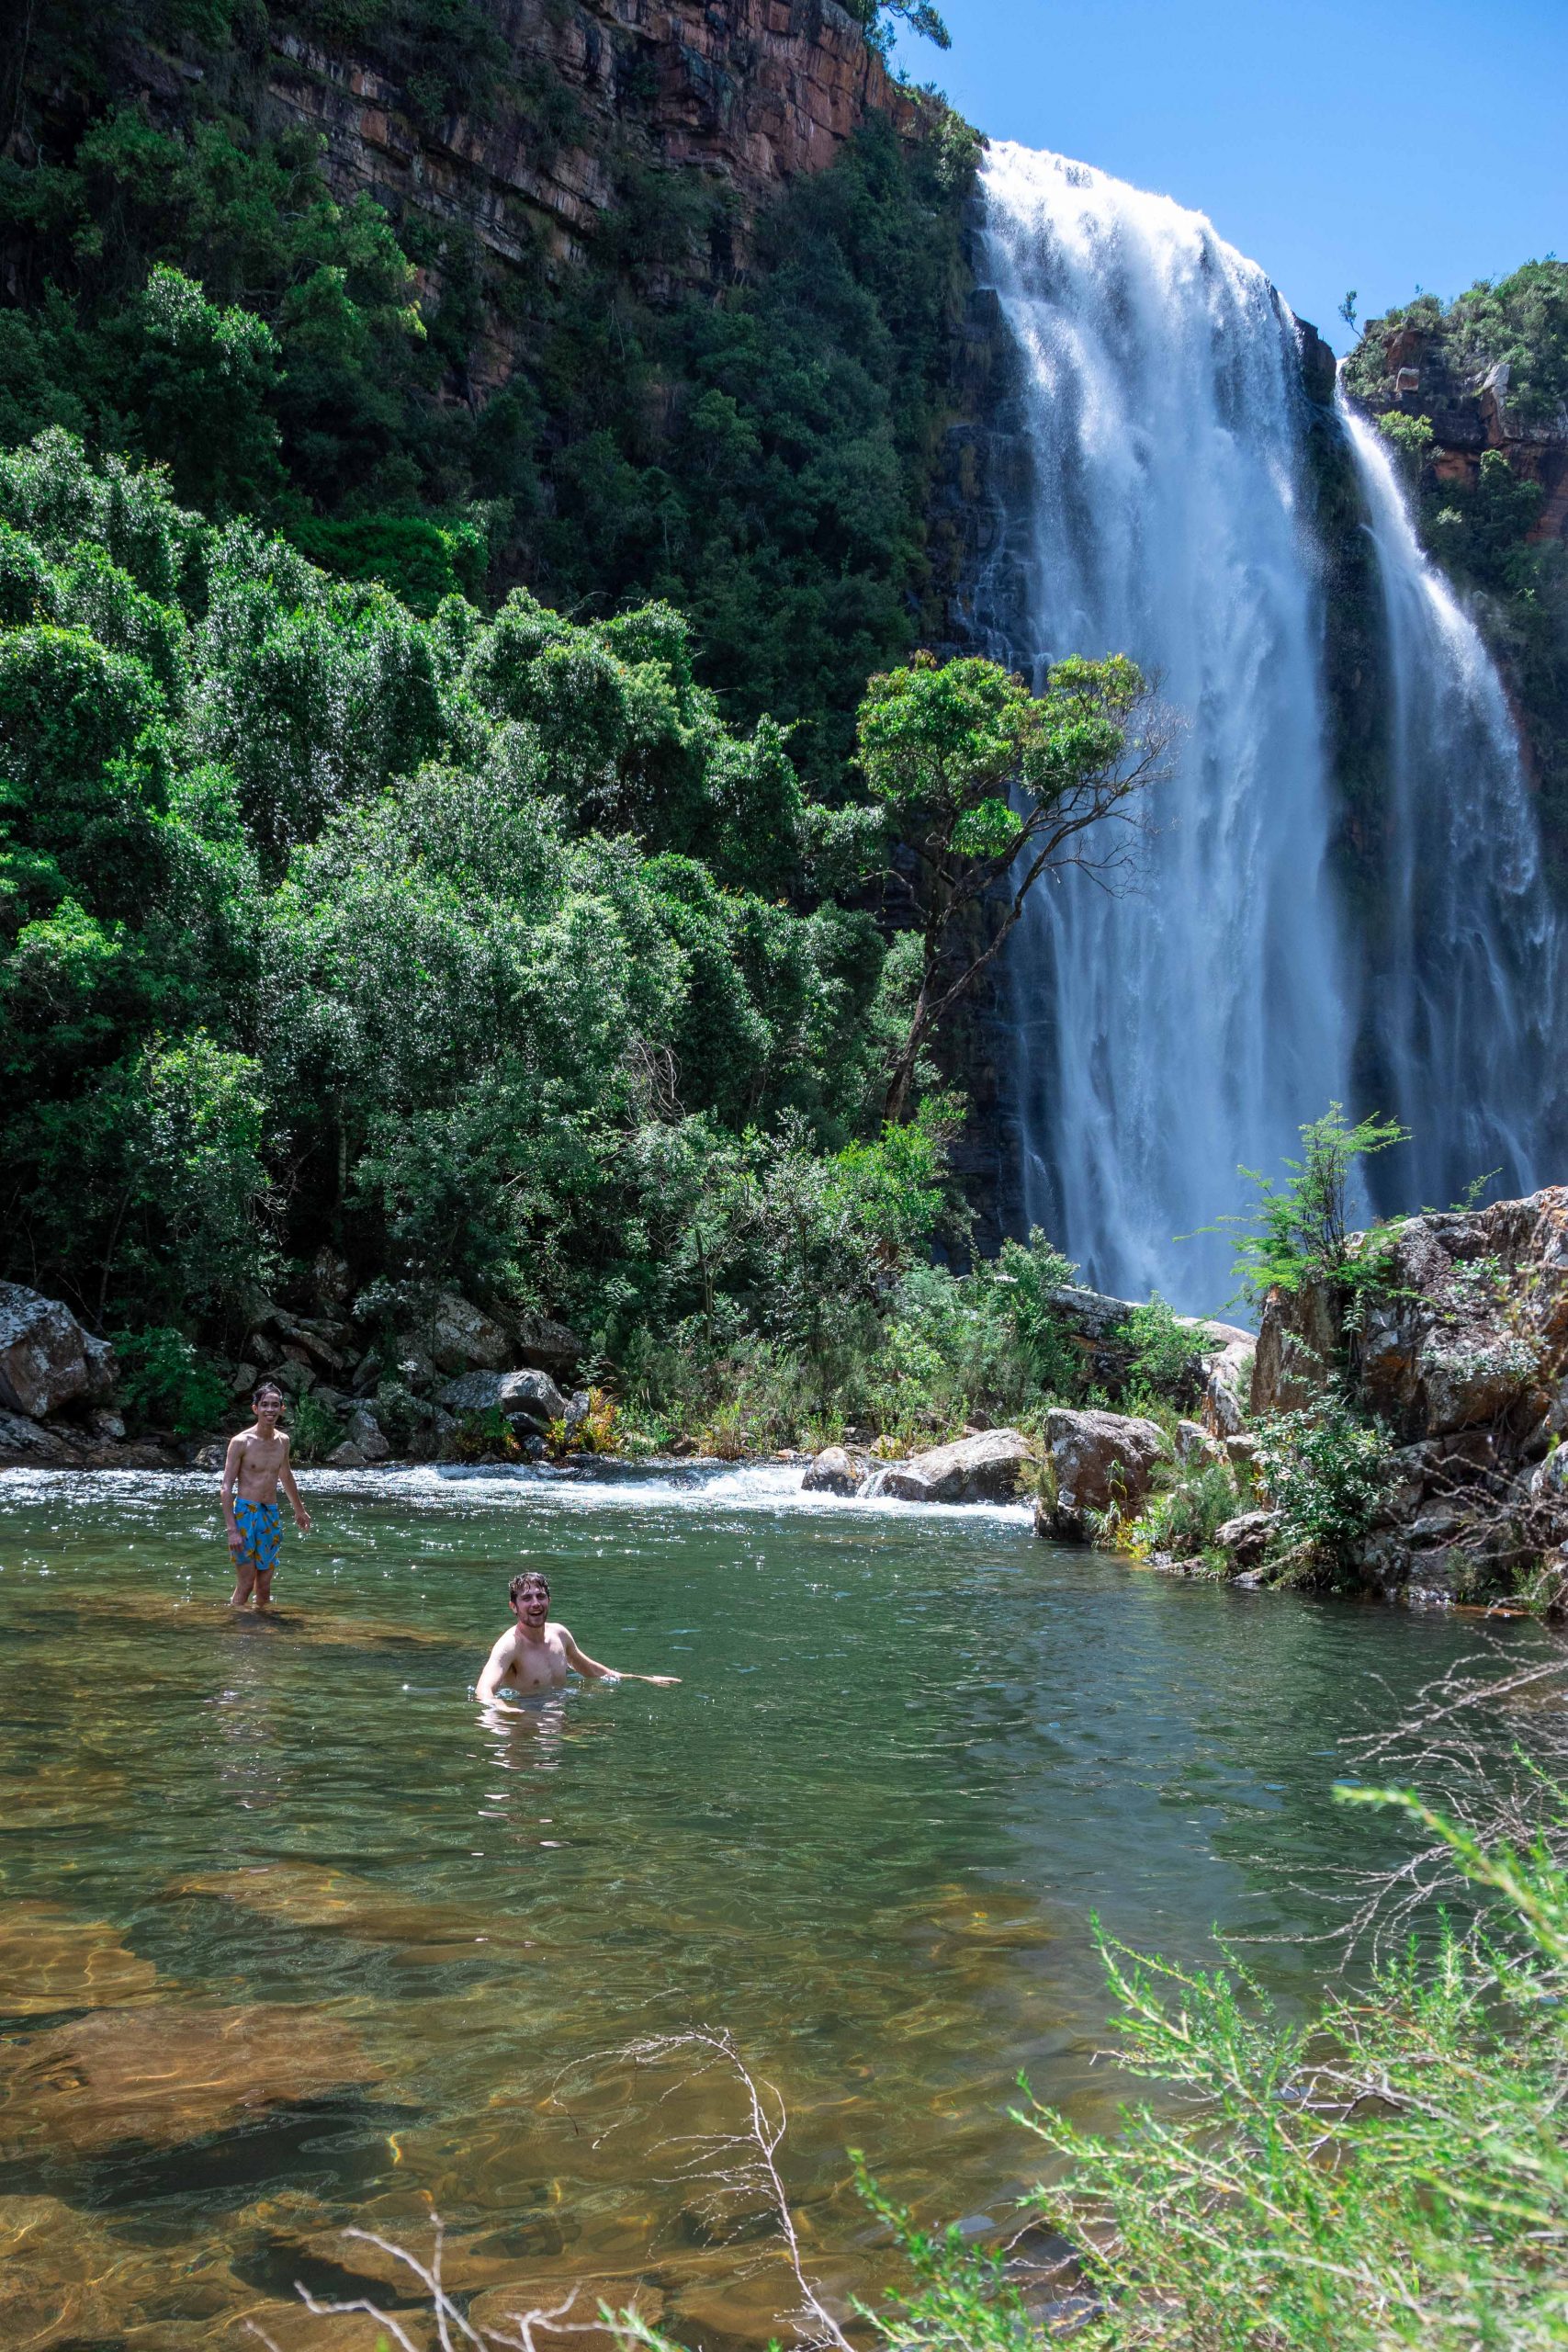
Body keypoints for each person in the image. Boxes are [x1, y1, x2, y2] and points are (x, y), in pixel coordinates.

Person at [475, 1570, 680, 1702]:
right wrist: (505, 1713)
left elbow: (591, 1670)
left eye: (541, 1596)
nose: (535, 1603)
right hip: (527, 1721)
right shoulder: (510, 1645)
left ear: (549, 1601)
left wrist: (642, 1679)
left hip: (561, 1712)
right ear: (514, 1607)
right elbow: (483, 1691)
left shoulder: (560, 1634)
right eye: (526, 1598)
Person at [220, 1378, 311, 1609]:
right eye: (264, 1405)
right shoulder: (240, 1442)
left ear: (282, 1409)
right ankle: (237, 1628)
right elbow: (226, 1487)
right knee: (246, 1583)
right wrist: (232, 1530)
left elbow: (286, 1476)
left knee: (264, 1587)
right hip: (245, 1514)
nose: (269, 1410)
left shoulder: (283, 1441)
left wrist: (299, 1510)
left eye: (274, 1405)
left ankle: (263, 1632)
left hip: (270, 1513)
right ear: (255, 1408)